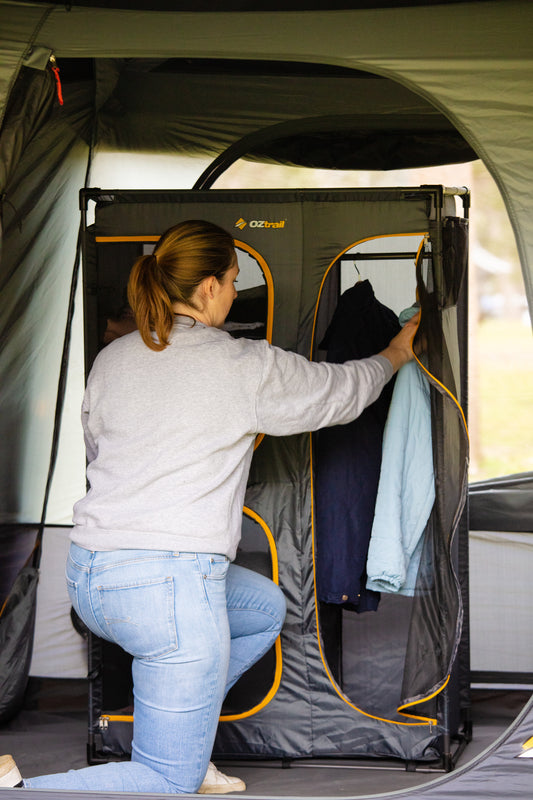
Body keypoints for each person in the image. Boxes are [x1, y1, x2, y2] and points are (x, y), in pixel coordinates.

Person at [0, 219, 419, 793]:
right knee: (166, 782)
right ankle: (23, 790)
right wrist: (396, 352)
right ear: (207, 289)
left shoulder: (112, 359)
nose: (233, 291)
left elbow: (99, 452)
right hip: (166, 589)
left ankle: (186, 735)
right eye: (232, 280)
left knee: (264, 607)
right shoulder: (243, 366)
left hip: (90, 576)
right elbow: (339, 392)